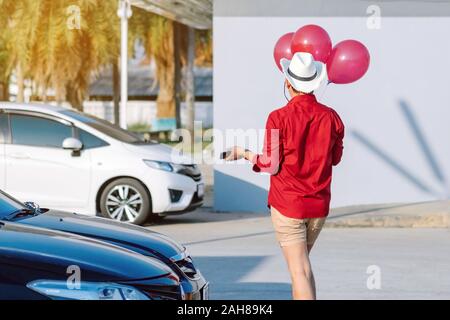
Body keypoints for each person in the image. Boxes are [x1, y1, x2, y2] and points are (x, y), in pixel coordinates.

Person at [225, 52, 345, 300]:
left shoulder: (277, 117)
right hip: (318, 205)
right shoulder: (332, 117)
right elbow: (335, 158)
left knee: (299, 270)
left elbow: (270, 164)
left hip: (289, 205)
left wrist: (244, 153)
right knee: (303, 269)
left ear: (288, 83)